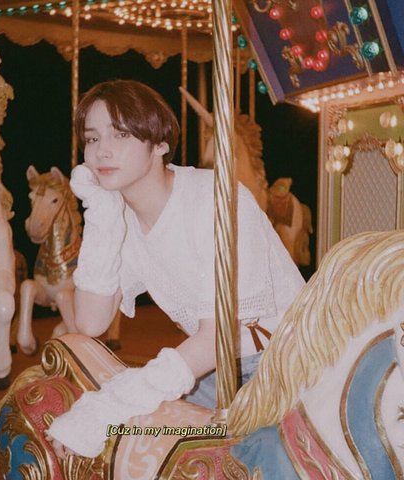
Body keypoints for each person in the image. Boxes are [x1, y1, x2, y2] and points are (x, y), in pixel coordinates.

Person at [46, 79, 305, 459]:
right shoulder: (122, 218)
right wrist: (101, 213)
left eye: (120, 134)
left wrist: (106, 408)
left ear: (160, 144)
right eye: (92, 138)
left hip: (287, 361)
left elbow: (216, 337)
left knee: (224, 458)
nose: (102, 150)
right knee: (136, 445)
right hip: (217, 369)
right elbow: (90, 322)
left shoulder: (214, 200)